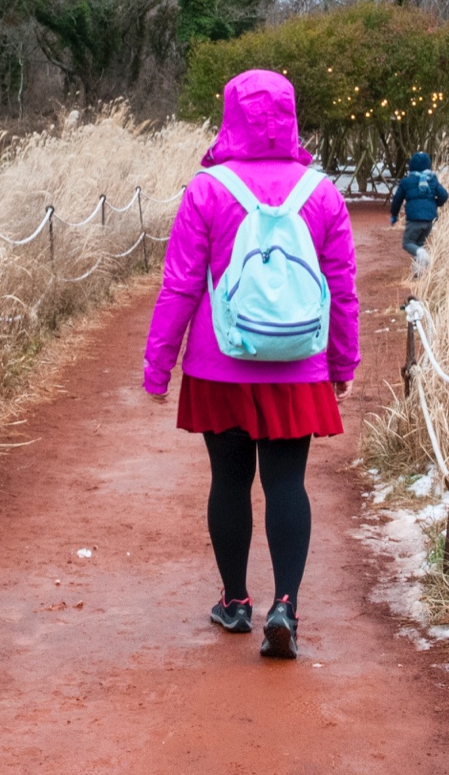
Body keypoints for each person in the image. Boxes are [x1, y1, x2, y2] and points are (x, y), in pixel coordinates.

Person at [142, 69, 359, 662]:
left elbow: (180, 287)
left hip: (220, 366)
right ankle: (285, 604)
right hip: (298, 366)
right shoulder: (322, 192)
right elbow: (341, 287)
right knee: (288, 483)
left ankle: (235, 602)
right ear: (290, 115)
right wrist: (343, 357)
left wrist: (158, 366)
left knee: (229, 482)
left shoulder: (206, 190)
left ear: (229, 114)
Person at [389, 151, 449, 276]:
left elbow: (397, 200)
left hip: (414, 219)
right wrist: (435, 204)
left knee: (408, 243)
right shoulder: (432, 180)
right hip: (430, 220)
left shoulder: (407, 182)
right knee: (419, 244)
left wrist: (394, 215)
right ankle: (418, 272)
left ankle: (423, 256)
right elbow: (444, 195)